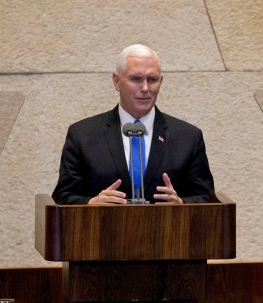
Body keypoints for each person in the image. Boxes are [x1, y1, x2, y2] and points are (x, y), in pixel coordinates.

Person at [52, 44, 214, 205]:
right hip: (103, 229)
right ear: (117, 81)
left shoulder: (188, 137)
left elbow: (207, 198)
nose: (145, 88)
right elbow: (62, 196)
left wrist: (181, 205)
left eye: (152, 80)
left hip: (167, 230)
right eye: (136, 79)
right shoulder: (82, 135)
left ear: (161, 82)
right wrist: (91, 204)